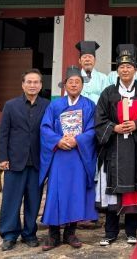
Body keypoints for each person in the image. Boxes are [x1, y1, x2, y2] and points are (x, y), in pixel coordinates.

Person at [95, 46, 137, 246]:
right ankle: (110, 232)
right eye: (121, 67)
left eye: (129, 67)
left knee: (133, 188)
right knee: (113, 190)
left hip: (136, 148)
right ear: (117, 70)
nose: (125, 70)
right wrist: (114, 127)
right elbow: (99, 118)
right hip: (114, 148)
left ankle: (131, 231)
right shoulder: (108, 93)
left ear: (135, 70)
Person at [39, 66, 98, 250]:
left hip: (79, 154)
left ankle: (70, 233)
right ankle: (53, 234)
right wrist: (58, 141)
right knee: (56, 191)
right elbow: (45, 128)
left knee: (75, 191)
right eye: (70, 82)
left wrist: (77, 140)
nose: (73, 85)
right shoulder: (55, 105)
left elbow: (93, 130)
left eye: (77, 82)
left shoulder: (89, 105)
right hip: (59, 154)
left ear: (82, 85)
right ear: (65, 85)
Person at [0, 69, 50, 251]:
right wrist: (3, 157)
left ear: (41, 85)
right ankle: (9, 235)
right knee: (11, 200)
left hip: (37, 161)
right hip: (14, 160)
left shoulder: (47, 106)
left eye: (36, 82)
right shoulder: (10, 105)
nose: (32, 85)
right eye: (29, 82)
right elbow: (3, 133)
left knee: (33, 200)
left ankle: (29, 233)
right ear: (23, 84)